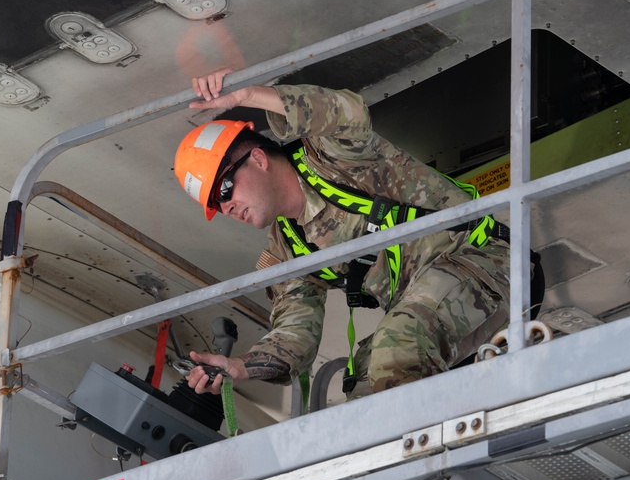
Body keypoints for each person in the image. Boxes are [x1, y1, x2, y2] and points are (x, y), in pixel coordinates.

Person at [174, 68, 523, 398]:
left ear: (259, 160)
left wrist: (251, 94)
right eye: (216, 208)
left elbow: (348, 112)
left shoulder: (331, 158)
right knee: (362, 383)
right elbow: (296, 334)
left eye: (223, 192)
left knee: (397, 343)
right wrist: (240, 367)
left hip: (479, 262)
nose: (227, 208)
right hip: (432, 309)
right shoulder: (286, 250)